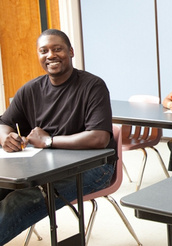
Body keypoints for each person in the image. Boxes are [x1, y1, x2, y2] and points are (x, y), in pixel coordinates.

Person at [0, 29, 117, 244]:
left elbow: (99, 138)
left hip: (94, 167)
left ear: (71, 52)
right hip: (44, 165)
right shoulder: (31, 89)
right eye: (43, 51)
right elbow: (3, 123)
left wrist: (49, 141)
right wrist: (5, 138)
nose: (50, 55)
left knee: (19, 201)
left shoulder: (93, 86)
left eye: (57, 49)